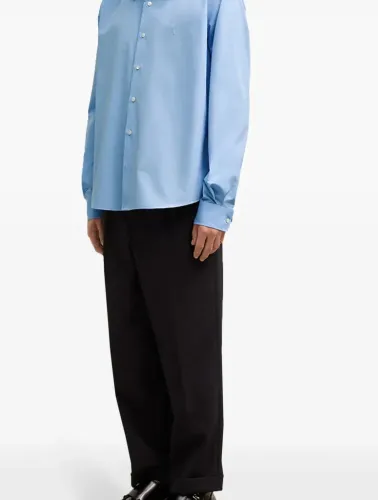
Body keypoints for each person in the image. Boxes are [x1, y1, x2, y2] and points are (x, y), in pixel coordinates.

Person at [82, 0, 250, 498]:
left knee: (189, 352)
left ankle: (195, 482)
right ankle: (152, 473)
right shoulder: (113, 5)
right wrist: (94, 193)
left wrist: (216, 204)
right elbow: (100, 97)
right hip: (117, 198)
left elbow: (230, 97)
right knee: (131, 350)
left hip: (182, 199)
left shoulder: (215, 3)